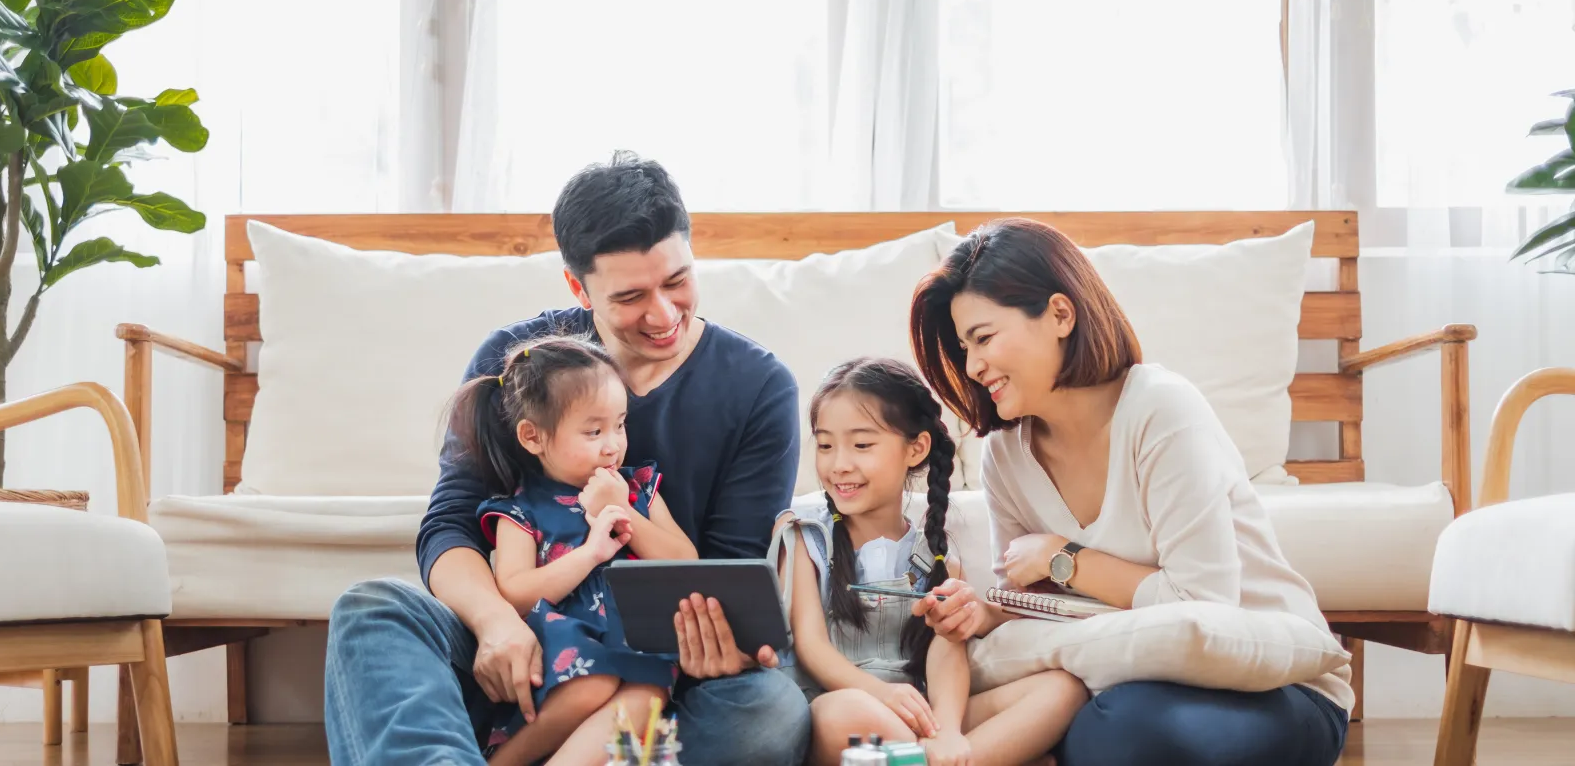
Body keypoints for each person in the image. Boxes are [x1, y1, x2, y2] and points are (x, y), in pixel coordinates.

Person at [324, 152, 811, 766]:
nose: (663, 314)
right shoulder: (520, 359)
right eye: (631, 296)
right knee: (372, 611)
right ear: (578, 287)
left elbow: (725, 568)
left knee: (769, 713)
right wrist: (497, 622)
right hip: (518, 657)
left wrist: (715, 643)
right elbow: (449, 523)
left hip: (657, 681)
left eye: (678, 280)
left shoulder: (758, 385)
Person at [904, 218, 1353, 766]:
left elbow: (1202, 610)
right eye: (964, 347)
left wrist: (1063, 558)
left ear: (1060, 315)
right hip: (1118, 684)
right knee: (1080, 721)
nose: (973, 366)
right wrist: (987, 614)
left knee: (1113, 734)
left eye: (984, 338)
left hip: (1274, 689)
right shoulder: (1006, 455)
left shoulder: (1161, 410)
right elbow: (1034, 609)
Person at [771, 358, 1086, 766]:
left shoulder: (936, 553)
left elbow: (948, 650)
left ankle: (938, 758)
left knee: (1062, 688)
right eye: (826, 445)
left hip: (920, 715)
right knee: (844, 712)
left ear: (916, 448)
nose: (839, 464)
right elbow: (812, 648)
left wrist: (949, 730)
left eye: (861, 445)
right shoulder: (804, 537)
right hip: (847, 710)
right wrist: (882, 695)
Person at [448, 336, 694, 764]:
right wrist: (590, 555)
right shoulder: (521, 508)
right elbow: (515, 592)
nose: (613, 444)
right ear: (532, 437)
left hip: (640, 637)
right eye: (593, 431)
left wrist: (622, 513)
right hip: (565, 640)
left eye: (619, 425)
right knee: (590, 685)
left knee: (647, 699)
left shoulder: (637, 488)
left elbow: (686, 564)